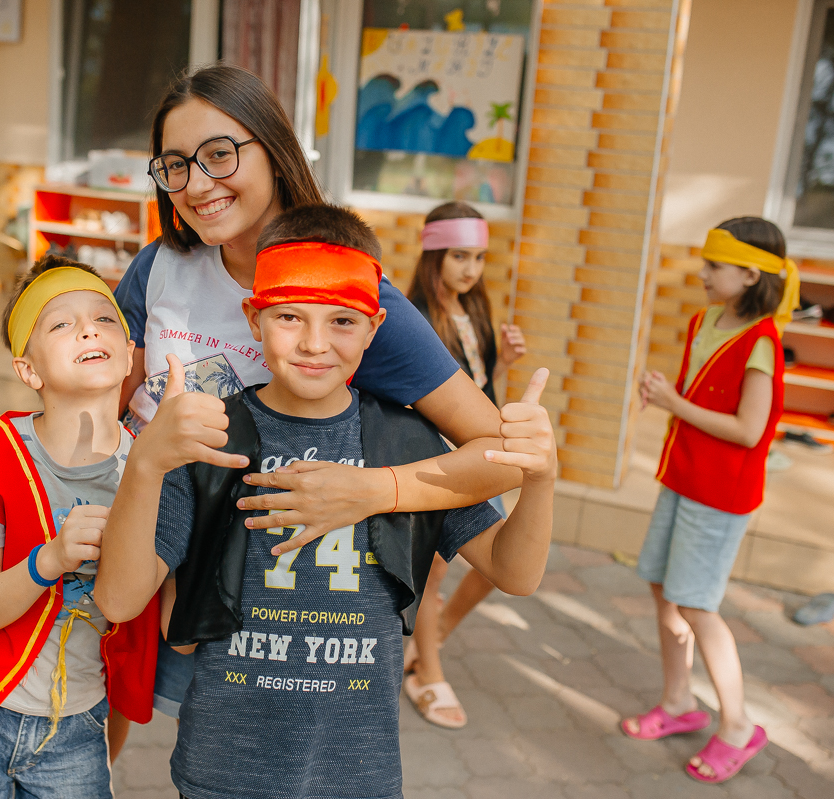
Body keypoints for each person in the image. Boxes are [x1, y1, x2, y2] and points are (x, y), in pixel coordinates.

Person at [105, 62, 528, 733]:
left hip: (256, 607)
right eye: (176, 165)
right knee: (84, 737)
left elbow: (502, 454)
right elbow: (106, 407)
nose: (197, 184)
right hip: (128, 557)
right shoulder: (159, 266)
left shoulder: (348, 299)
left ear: (274, 150)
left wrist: (373, 490)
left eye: (219, 154)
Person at [94, 204, 557, 799]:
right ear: (254, 318)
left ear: (375, 327)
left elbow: (515, 573)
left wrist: (541, 478)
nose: (315, 344)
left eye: (342, 321)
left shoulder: (407, 443)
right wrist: (146, 463)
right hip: (222, 769)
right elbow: (118, 599)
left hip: (358, 774)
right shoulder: (212, 437)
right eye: (290, 316)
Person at [0, 254, 158, 797]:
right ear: (29, 371)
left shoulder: (152, 470)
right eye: (61, 324)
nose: (88, 329)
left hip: (79, 725)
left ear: (129, 355)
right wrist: (50, 559)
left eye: (104, 318)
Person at [621, 217, 798, 784]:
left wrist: (674, 403)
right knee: (662, 588)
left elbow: (748, 430)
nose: (702, 273)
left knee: (696, 605)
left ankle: (739, 726)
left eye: (714, 266)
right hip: (683, 478)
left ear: (750, 275)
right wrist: (668, 395)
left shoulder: (763, 343)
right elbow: (702, 395)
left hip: (720, 495)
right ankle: (679, 702)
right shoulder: (705, 320)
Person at [403, 201, 528, 728]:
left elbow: (478, 393)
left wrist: (503, 362)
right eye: (459, 256)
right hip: (440, 459)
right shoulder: (413, 319)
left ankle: (432, 637)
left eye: (478, 257)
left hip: (483, 455)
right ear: (433, 254)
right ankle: (427, 673)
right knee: (432, 575)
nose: (471, 269)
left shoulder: (476, 311)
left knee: (501, 561)